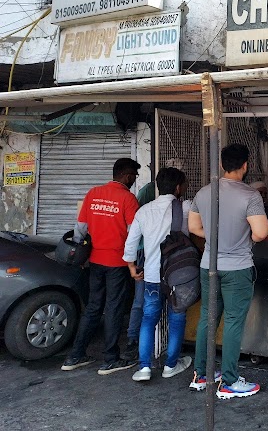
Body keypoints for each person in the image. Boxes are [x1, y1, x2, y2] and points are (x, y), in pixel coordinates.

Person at [188, 144, 268, 399]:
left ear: (222, 165)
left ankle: (201, 375)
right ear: (245, 166)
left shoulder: (204, 192)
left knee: (207, 317)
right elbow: (261, 232)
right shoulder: (250, 196)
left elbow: (194, 228)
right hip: (237, 269)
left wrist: (216, 239)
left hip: (208, 265)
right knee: (233, 321)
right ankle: (229, 382)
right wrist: (245, 240)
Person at [61, 158, 141, 374]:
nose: (134, 180)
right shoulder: (128, 199)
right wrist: (132, 262)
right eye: (134, 176)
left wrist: (80, 254)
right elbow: (134, 233)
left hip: (95, 261)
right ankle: (110, 359)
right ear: (127, 176)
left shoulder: (93, 193)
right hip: (117, 262)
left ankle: (75, 355)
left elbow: (80, 228)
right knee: (114, 308)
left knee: (93, 307)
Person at [123, 167, 192, 382]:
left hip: (152, 275)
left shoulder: (144, 211)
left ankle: (144, 367)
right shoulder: (185, 207)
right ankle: (171, 365)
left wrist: (132, 267)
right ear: (178, 187)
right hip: (177, 277)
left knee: (148, 319)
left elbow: (131, 243)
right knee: (177, 319)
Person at [122, 180, 156, 361]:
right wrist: (132, 264)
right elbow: (133, 232)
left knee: (145, 300)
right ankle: (133, 339)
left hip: (149, 250)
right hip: (145, 250)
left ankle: (141, 340)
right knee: (141, 299)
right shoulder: (149, 191)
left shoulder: (148, 192)